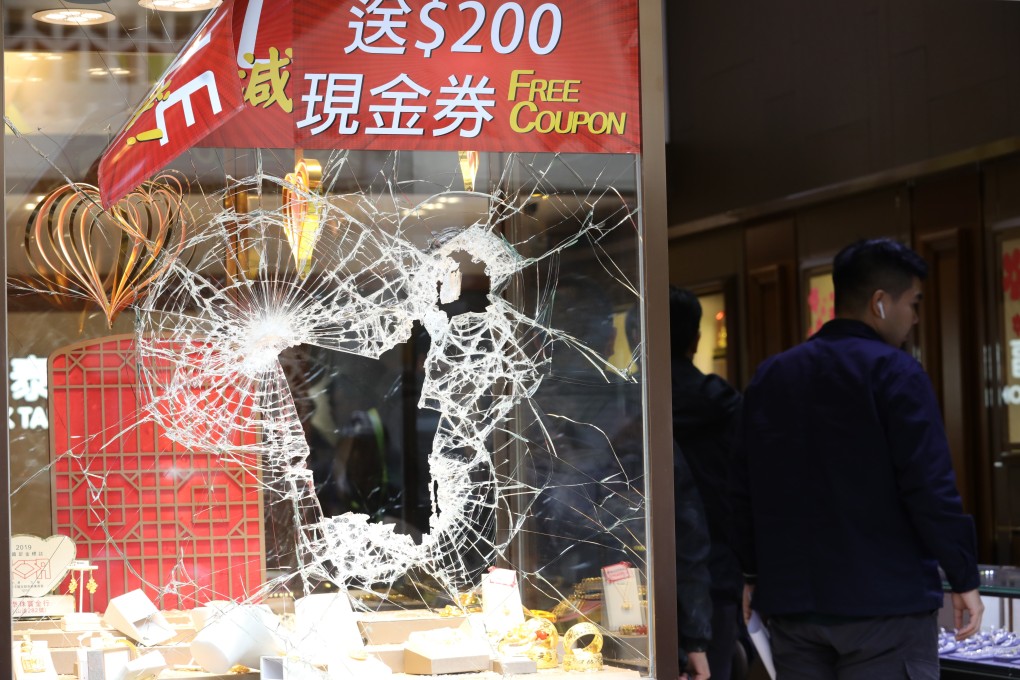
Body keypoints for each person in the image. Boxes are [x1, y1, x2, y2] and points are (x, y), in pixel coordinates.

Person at [731, 238, 983, 679]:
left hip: (794, 607)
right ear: (880, 303)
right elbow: (929, 486)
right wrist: (963, 576)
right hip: (885, 607)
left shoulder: (772, 376)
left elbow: (744, 486)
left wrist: (751, 573)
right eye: (913, 303)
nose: (915, 317)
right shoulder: (896, 372)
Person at [661, 288, 744, 680]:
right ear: (695, 340)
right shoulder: (724, 405)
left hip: (641, 573)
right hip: (718, 568)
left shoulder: (631, 408)